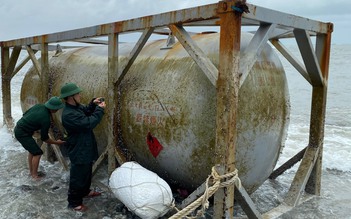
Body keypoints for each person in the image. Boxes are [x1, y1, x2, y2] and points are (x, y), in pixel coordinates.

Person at [59, 82, 105, 212]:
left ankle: (85, 191)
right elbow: (88, 123)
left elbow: (86, 111)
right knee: (78, 176)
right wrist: (100, 109)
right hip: (79, 148)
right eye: (77, 94)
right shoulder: (68, 114)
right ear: (70, 97)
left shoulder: (76, 107)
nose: (80, 95)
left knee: (86, 172)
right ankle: (74, 203)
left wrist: (93, 104)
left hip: (85, 146)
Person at [14, 96, 66, 180]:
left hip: (19, 127)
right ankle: (34, 176)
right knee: (37, 153)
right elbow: (45, 138)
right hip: (22, 134)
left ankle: (31, 172)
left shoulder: (39, 106)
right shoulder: (46, 119)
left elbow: (25, 114)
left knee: (33, 151)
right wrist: (57, 142)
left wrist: (33, 126)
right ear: (54, 109)